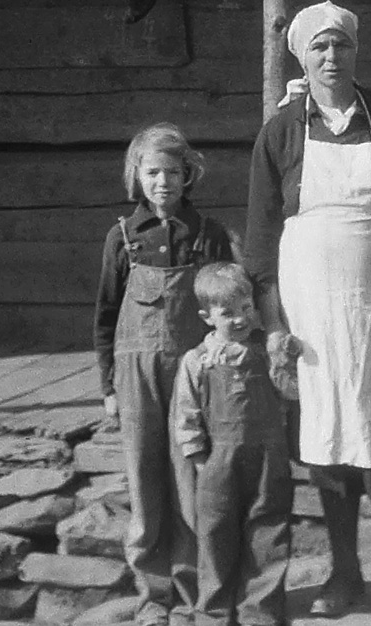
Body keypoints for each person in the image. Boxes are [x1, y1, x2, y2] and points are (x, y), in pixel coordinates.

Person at [243, 1, 371, 622]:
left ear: (356, 53)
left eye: (341, 46)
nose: (331, 57)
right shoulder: (280, 133)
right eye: (319, 48)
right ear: (302, 59)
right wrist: (276, 326)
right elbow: (260, 238)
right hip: (312, 316)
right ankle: (344, 573)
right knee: (328, 441)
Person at [101, 122, 240, 622]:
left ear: (189, 176)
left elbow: (227, 308)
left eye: (173, 172)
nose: (163, 181)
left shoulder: (208, 235)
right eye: (152, 171)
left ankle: (192, 590)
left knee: (190, 478)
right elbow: (104, 317)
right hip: (135, 375)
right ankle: (153, 594)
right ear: (136, 175)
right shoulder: (121, 238)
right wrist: (107, 389)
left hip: (194, 375)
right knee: (144, 476)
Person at [171, 261, 298, 626]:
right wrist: (198, 461)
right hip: (218, 463)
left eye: (246, 309)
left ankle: (260, 611)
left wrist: (286, 357)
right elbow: (187, 414)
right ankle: (213, 611)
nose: (240, 319)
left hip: (268, 457)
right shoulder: (197, 362)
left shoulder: (265, 352)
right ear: (207, 317)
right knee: (215, 535)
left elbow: (290, 392)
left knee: (268, 531)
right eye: (228, 313)